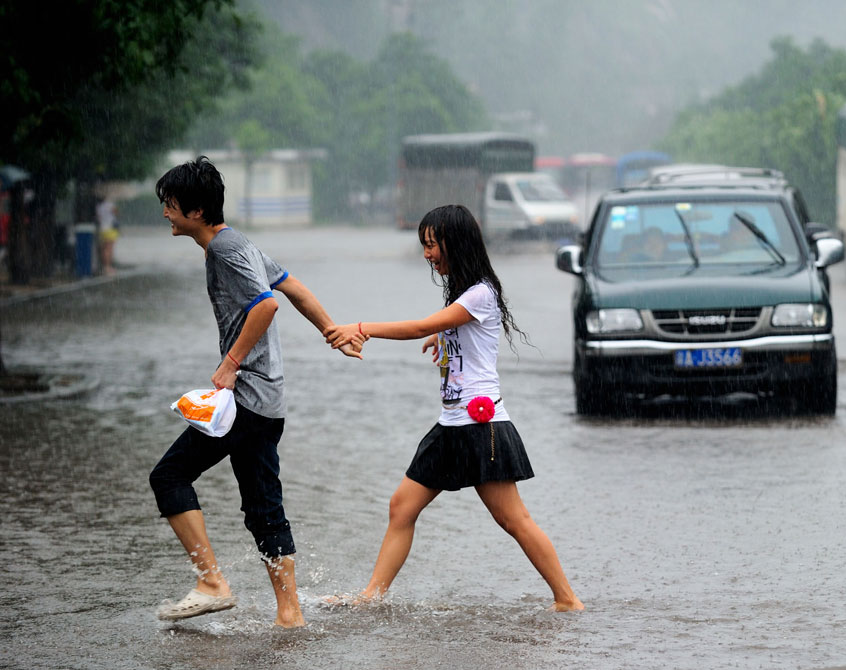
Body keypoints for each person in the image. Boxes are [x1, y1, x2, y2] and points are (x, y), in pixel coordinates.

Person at [323, 204, 584, 612]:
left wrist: (362, 328)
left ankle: (568, 599)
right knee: (401, 507)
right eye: (423, 245)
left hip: (482, 427)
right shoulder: (464, 297)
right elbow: (446, 329)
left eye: (432, 245)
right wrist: (444, 337)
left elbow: (420, 325)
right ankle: (370, 597)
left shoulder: (480, 292)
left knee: (513, 520)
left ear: (454, 244)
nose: (427, 254)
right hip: (452, 425)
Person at [148, 155, 362, 627]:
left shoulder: (225, 250)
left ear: (197, 212)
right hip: (269, 404)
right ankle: (290, 615)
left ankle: (211, 582)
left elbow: (266, 305)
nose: (165, 213)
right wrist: (333, 332)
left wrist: (229, 364)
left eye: (171, 205)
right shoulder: (237, 243)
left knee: (168, 477)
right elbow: (295, 288)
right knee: (264, 508)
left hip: (244, 401)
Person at [96, 196, 119, 275]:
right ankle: (108, 267)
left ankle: (104, 267)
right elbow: (116, 213)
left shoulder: (99, 206)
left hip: (102, 229)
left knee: (104, 249)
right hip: (110, 229)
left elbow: (99, 217)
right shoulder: (110, 205)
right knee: (109, 249)